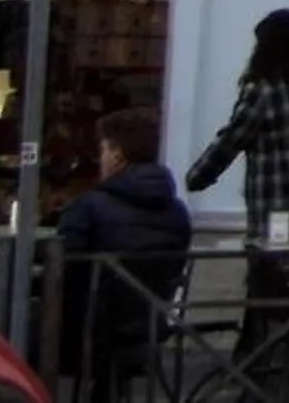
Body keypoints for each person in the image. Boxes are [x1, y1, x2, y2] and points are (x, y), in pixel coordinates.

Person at [56, 108, 192, 392]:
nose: (101, 158)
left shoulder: (89, 208)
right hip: (149, 328)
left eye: (103, 149)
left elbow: (64, 268)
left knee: (15, 327)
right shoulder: (178, 212)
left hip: (89, 333)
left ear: (117, 154)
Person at [185, 6, 289, 243]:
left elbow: (233, 138)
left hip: (274, 196)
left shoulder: (262, 90)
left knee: (275, 256)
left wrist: (199, 176)